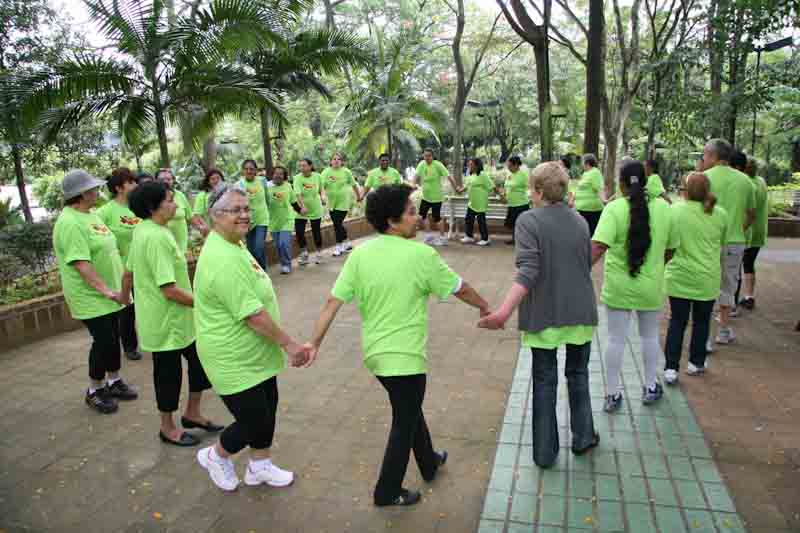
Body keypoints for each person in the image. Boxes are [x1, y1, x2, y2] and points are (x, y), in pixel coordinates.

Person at [306, 184, 490, 507]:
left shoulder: (360, 253)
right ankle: (387, 490)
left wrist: (314, 343)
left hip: (376, 356)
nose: (416, 217)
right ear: (392, 221)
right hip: (405, 358)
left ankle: (429, 463)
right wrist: (486, 307)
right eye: (410, 212)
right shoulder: (421, 255)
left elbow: (331, 303)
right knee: (404, 420)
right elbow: (460, 289)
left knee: (408, 408)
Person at [478, 162, 599, 467]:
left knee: (545, 381)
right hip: (581, 311)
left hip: (546, 314)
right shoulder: (580, 221)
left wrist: (504, 312)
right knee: (579, 374)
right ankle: (584, 437)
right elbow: (584, 262)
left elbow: (529, 270)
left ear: (539, 191)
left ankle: (545, 453)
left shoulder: (528, 221)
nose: (529, 194)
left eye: (531, 188)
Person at [193, 184, 311, 492]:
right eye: (236, 210)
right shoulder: (222, 257)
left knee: (268, 408)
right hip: (233, 357)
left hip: (255, 352)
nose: (244, 215)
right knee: (254, 420)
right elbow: (253, 315)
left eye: (246, 208)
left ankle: (259, 466)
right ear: (215, 215)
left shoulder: (234, 243)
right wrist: (290, 344)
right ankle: (216, 456)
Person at [123, 181, 221, 446]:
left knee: (201, 362)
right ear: (152, 207)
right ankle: (167, 427)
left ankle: (192, 413)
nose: (175, 204)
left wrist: (123, 298)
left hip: (180, 319)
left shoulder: (146, 229)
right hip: (167, 322)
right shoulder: (155, 237)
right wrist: (207, 305)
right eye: (169, 200)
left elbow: (129, 271)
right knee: (169, 376)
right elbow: (169, 290)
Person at [53, 169, 138, 414]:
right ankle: (94, 390)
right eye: (92, 188)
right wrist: (108, 292)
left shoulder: (91, 215)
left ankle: (113, 381)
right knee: (104, 342)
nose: (97, 191)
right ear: (80, 194)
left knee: (112, 339)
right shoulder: (69, 222)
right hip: (91, 295)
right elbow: (82, 264)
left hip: (110, 292)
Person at [591, 160, 674, 412]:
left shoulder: (614, 208)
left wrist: (578, 271)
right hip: (650, 287)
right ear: (646, 181)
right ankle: (650, 387)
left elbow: (598, 247)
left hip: (618, 287)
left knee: (615, 340)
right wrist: (655, 265)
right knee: (649, 337)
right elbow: (670, 249)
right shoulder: (664, 208)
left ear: (621, 184)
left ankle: (612, 394)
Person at [663, 172, 727, 384]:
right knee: (702, 321)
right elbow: (722, 243)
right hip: (707, 278)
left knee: (677, 321)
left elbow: (666, 242)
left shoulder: (674, 211)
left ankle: (671, 368)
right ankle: (695, 363)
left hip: (679, 276)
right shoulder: (720, 215)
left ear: (686, 190)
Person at [702, 140, 755, 344]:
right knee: (728, 284)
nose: (704, 159)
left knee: (707, 284)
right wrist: (738, 229)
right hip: (735, 241)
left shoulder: (704, 178)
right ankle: (723, 329)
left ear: (714, 156)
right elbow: (751, 214)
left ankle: (704, 334)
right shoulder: (745, 181)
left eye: (705, 155)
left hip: (709, 240)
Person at [96, 167, 142, 361]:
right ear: (118, 188)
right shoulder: (104, 212)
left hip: (143, 266)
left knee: (146, 304)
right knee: (127, 310)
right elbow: (100, 240)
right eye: (130, 182)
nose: (135, 185)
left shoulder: (139, 206)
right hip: (121, 269)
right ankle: (129, 346)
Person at [738, 158, 768, 310]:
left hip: (747, 230)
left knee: (741, 264)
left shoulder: (746, 184)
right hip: (760, 230)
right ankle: (749, 295)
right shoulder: (761, 181)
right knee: (749, 264)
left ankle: (742, 297)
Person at [414, 148, 459, 246]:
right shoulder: (421, 164)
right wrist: (412, 184)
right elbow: (416, 176)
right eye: (425, 156)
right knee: (423, 216)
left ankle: (443, 238)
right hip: (426, 197)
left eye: (429, 156)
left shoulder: (438, 165)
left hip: (436, 198)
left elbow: (449, 176)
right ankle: (429, 236)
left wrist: (456, 188)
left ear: (432, 156)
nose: (427, 158)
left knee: (437, 218)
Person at [156, 168, 207, 254]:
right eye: (161, 179)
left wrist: (202, 229)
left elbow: (190, 217)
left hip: (181, 245)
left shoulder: (180, 195)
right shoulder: (153, 198)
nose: (165, 181)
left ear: (173, 181)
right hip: (162, 244)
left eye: (168, 179)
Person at [321, 152, 361, 257]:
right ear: (331, 161)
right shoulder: (326, 172)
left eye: (338, 159)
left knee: (337, 224)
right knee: (338, 224)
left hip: (343, 202)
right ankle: (347, 242)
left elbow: (354, 185)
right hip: (331, 203)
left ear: (341, 161)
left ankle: (339, 247)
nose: (336, 161)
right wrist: (322, 196)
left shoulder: (346, 171)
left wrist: (359, 196)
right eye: (334, 159)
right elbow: (321, 186)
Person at [267, 166, 302, 275]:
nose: (278, 175)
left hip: (287, 219)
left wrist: (300, 210)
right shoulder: (267, 187)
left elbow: (293, 201)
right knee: (278, 245)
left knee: (284, 243)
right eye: (276, 173)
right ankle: (283, 263)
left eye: (281, 174)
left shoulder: (288, 186)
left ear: (284, 176)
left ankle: (287, 264)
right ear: (272, 175)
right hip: (273, 221)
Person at [237, 159, 271, 270]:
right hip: (248, 221)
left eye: (251, 169)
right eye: (246, 169)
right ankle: (258, 271)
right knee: (251, 251)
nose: (249, 171)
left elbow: (267, 197)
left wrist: (267, 212)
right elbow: (238, 203)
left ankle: (263, 270)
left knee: (258, 247)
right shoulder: (239, 184)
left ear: (256, 170)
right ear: (243, 171)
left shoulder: (262, 181)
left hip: (262, 218)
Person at [293, 158, 325, 266]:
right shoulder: (297, 178)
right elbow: (298, 194)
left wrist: (323, 197)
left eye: (304, 165)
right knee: (299, 231)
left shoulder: (317, 176)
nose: (302, 168)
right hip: (302, 210)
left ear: (310, 166)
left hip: (315, 208)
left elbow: (321, 189)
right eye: (300, 166)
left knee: (316, 231)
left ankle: (319, 253)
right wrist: (302, 206)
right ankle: (304, 253)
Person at [458, 157, 496, 246]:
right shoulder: (470, 175)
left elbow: (492, 186)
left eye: (471, 164)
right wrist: (460, 190)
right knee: (468, 219)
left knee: (481, 221)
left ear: (477, 165)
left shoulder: (482, 175)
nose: (469, 165)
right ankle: (469, 236)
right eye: (469, 164)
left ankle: (485, 239)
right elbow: (466, 187)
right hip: (472, 202)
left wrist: (501, 196)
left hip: (481, 202)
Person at [573, 154, 607, 236]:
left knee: (590, 234)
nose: (581, 164)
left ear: (587, 162)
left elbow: (599, 188)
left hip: (591, 210)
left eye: (582, 162)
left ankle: (590, 248)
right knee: (583, 233)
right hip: (583, 209)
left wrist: (603, 200)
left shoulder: (595, 173)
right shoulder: (586, 173)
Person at [502, 156, 530, 246]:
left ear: (516, 165)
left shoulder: (523, 175)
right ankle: (514, 240)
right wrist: (504, 195)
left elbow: (527, 187)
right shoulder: (509, 174)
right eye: (508, 166)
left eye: (510, 166)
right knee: (513, 224)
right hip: (512, 204)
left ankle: (522, 242)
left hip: (521, 204)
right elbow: (507, 186)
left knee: (521, 224)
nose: (508, 168)